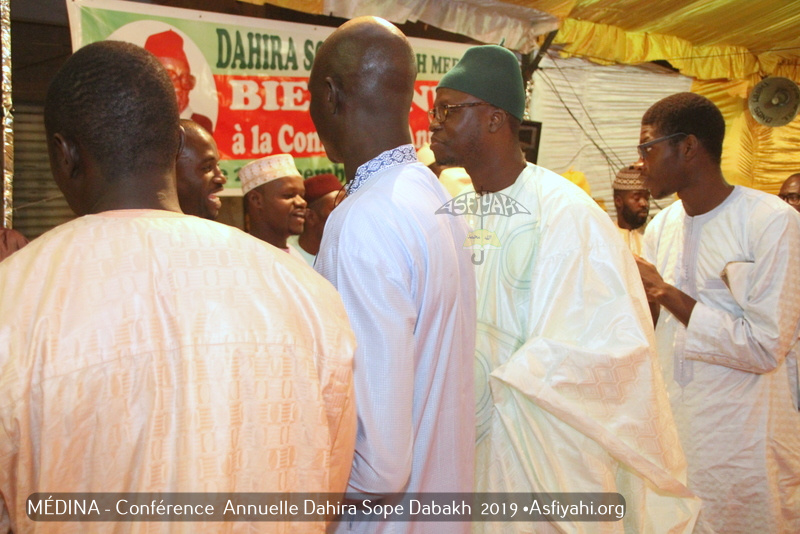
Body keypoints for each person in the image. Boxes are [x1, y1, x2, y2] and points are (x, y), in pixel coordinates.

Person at [0, 40, 356, 533]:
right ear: (172, 145)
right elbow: (328, 487)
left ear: (64, 154)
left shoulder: (16, 300)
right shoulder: (305, 294)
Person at [429, 45, 699, 532]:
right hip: (463, 444)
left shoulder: (566, 211)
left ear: (493, 119)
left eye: (447, 109)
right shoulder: (458, 211)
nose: (434, 123)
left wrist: (494, 372)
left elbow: (610, 347)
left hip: (537, 452)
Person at [309, 16, 476, 533]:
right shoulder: (430, 196)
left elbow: (378, 467)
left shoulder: (362, 220)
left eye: (311, 96)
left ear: (331, 96)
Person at [635, 92, 800, 533]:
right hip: (678, 430)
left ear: (687, 147)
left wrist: (665, 292)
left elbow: (766, 347)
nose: (640, 162)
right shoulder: (661, 227)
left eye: (647, 147)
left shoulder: (771, 221)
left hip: (745, 439)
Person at [239, 153, 308, 261]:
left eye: (302, 196)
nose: (302, 202)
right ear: (256, 200)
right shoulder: (240, 255)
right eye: (288, 195)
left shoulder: (297, 258)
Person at [144, 29, 213, 133]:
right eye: (171, 77)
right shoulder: (138, 122)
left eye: (185, 78)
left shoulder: (201, 125)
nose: (179, 88)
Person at [287, 173, 342, 266]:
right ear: (310, 217)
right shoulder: (288, 258)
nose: (345, 215)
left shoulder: (350, 253)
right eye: (337, 210)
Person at [176, 118, 226, 220]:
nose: (221, 178)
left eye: (218, 165)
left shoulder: (221, 235)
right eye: (207, 167)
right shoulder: (142, 232)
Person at [612, 162, 650, 255]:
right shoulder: (606, 236)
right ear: (618, 201)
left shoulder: (654, 235)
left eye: (647, 198)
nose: (644, 203)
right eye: (637, 198)